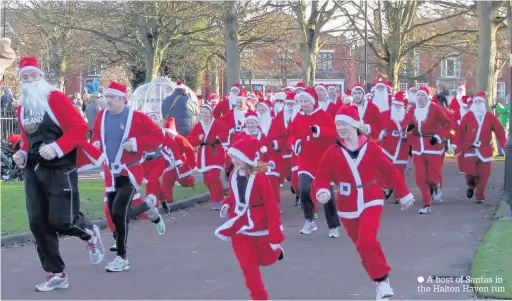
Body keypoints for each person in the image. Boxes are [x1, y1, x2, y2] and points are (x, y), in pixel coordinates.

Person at [13, 56, 106, 291]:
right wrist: (22, 153)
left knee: (62, 220)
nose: (30, 80)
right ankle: (57, 274)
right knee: (38, 222)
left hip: (61, 167)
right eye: (25, 77)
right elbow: (26, 139)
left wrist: (56, 147)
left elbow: (79, 127)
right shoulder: (22, 107)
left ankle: (89, 231)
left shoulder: (55, 98)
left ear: (41, 77)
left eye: (34, 75)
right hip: (33, 169)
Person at [314, 105, 415, 300]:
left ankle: (383, 281)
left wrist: (404, 194)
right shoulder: (332, 151)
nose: (340, 128)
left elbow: (390, 171)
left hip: (371, 198)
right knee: (361, 246)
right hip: (346, 205)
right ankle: (379, 281)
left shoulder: (371, 147)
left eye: (343, 124)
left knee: (367, 241)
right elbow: (321, 176)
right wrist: (322, 190)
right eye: (337, 125)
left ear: (354, 125)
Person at [92, 81, 166, 272]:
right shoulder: (102, 115)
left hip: (130, 171)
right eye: (107, 97)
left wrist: (136, 142)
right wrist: (97, 143)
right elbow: (96, 135)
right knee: (113, 211)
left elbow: (159, 137)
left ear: (123, 99)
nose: (108, 100)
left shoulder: (136, 117)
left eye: (112, 97)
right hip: (110, 172)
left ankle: (122, 258)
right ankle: (147, 205)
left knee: (118, 212)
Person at [214, 136, 284, 300]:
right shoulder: (232, 175)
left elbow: (271, 206)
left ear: (247, 156)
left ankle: (276, 252)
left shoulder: (260, 177)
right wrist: (226, 205)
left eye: (237, 157)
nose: (234, 160)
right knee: (248, 267)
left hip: (260, 225)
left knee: (268, 259)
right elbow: (233, 197)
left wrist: (275, 235)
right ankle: (259, 297)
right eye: (232, 157)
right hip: (239, 227)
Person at [290, 87, 341, 237]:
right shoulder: (298, 117)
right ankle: (309, 220)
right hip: (305, 160)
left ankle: (333, 226)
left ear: (312, 102)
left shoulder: (323, 115)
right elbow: (292, 134)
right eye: (301, 101)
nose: (304, 104)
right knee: (304, 190)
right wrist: (295, 143)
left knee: (326, 194)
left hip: (322, 160)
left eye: (306, 101)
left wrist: (320, 130)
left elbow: (335, 133)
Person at [404, 86, 452, 214]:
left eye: (422, 96)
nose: (420, 98)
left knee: (432, 176)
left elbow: (447, 123)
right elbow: (408, 124)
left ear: (427, 97)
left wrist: (438, 136)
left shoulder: (436, 109)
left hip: (433, 145)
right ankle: (426, 204)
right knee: (420, 178)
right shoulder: (413, 110)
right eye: (418, 96)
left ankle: (436, 186)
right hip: (418, 147)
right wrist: (408, 130)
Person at [454, 92, 507, 204]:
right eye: (476, 102)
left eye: (480, 102)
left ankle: (480, 195)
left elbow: (500, 131)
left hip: (485, 149)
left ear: (484, 104)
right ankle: (471, 186)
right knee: (470, 173)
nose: (477, 104)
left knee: (484, 175)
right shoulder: (468, 116)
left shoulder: (490, 117)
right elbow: (460, 133)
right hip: (470, 149)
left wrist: (505, 145)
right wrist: (456, 145)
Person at [187, 104, 229, 210]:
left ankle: (216, 200)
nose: (204, 115)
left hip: (216, 152)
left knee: (214, 176)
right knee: (207, 180)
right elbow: (190, 140)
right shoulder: (197, 126)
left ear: (210, 113)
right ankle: (218, 197)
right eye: (202, 113)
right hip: (204, 155)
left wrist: (218, 136)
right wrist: (198, 138)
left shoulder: (217, 123)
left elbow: (226, 132)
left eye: (206, 112)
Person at [377, 91, 411, 202]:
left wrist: (405, 134)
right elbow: (378, 128)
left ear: (403, 106)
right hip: (387, 147)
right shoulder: (384, 115)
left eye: (399, 105)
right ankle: (385, 188)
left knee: (399, 173)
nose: (396, 107)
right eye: (395, 105)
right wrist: (383, 133)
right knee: (384, 170)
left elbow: (411, 130)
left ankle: (399, 194)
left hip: (402, 148)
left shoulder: (408, 117)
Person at [160, 118, 196, 212]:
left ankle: (191, 182)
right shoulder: (165, 139)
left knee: (184, 180)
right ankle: (168, 199)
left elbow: (189, 150)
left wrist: (192, 164)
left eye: (170, 132)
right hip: (170, 165)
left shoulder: (180, 139)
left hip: (181, 163)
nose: (169, 134)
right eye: (167, 132)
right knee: (167, 181)